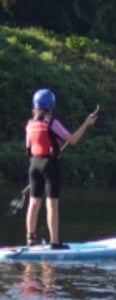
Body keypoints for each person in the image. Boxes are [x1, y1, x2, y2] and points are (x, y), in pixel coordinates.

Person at [24, 88, 98, 249]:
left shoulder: (30, 125)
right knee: (52, 204)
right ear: (51, 105)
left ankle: (30, 239)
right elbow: (72, 140)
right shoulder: (52, 123)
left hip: (34, 165)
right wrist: (86, 123)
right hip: (50, 166)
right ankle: (54, 241)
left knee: (34, 203)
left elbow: (29, 147)